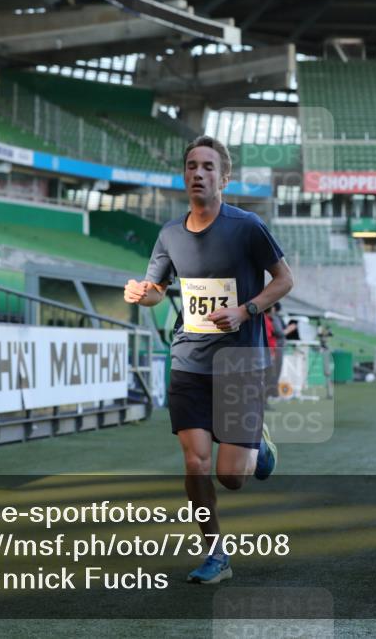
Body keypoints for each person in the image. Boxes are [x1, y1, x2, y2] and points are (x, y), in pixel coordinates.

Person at [123, 136, 293, 584]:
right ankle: (215, 553)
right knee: (195, 463)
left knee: (232, 477)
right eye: (191, 166)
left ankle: (260, 445)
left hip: (239, 364)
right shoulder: (169, 234)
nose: (198, 174)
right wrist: (142, 295)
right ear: (185, 175)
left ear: (224, 177)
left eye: (208, 167)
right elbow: (156, 290)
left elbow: (284, 280)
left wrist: (245, 309)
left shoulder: (247, 226)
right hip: (190, 361)